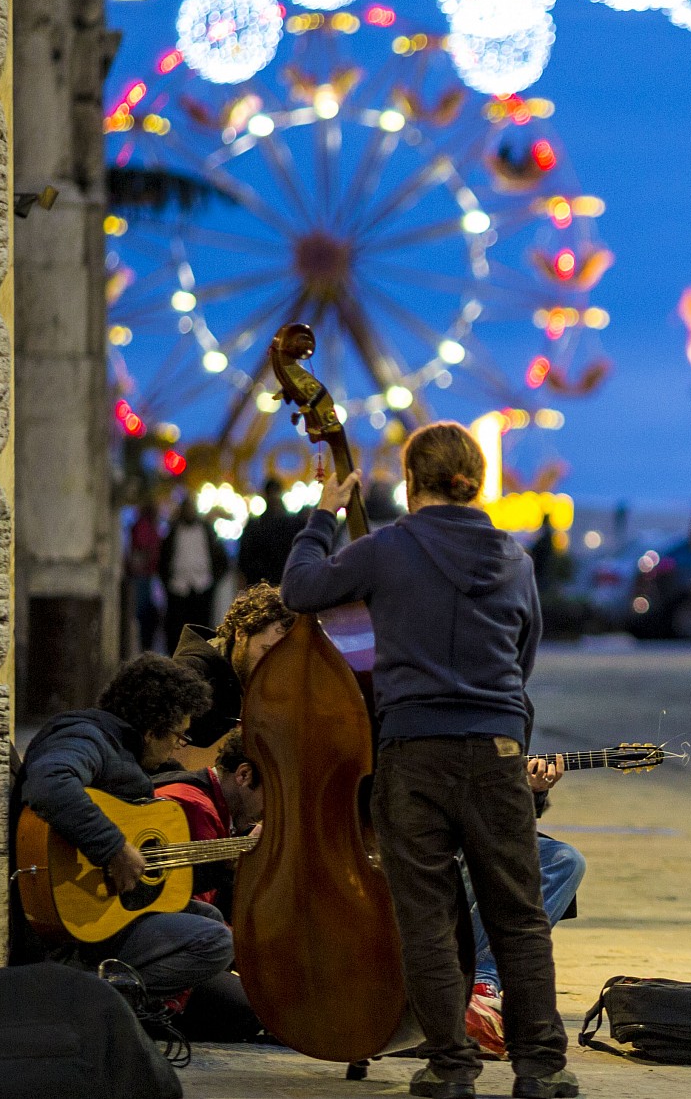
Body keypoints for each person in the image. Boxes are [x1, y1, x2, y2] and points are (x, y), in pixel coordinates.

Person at [281, 421, 577, 1099]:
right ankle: (540, 1069)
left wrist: (324, 515)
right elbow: (521, 660)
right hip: (497, 750)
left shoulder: (385, 550)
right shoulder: (515, 558)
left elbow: (299, 591)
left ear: (411, 482)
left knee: (428, 917)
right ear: (475, 480)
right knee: (519, 916)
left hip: (414, 754)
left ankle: (451, 1068)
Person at [17, 654, 233, 1001]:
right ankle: (91, 996)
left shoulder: (121, 751)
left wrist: (225, 861)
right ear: (152, 730)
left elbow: (146, 862)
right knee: (215, 941)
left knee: (208, 915)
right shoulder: (85, 736)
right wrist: (114, 849)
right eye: (179, 735)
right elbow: (50, 783)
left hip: (110, 908)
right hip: (68, 916)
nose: (179, 747)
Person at [463, 755, 592, 1056]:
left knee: (565, 861)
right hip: (430, 831)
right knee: (483, 847)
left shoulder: (511, 713)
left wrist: (533, 792)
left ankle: (484, 976)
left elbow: (512, 817)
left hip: (483, 830)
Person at [153, 732, 269, 1042]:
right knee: (253, 1011)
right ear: (243, 775)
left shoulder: (219, 808)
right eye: (272, 795)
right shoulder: (194, 807)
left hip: (178, 936)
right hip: (162, 949)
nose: (272, 809)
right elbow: (193, 914)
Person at [169, 581, 296, 766]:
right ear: (241, 634)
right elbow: (159, 752)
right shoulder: (191, 673)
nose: (272, 666)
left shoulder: (276, 680)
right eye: (266, 650)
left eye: (281, 658)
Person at [163, 495, 228, 654]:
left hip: (201, 588)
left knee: (200, 630)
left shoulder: (205, 530)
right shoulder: (173, 531)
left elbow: (221, 559)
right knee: (177, 631)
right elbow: (164, 559)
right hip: (178, 589)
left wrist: (212, 582)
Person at [236, 476, 300, 589]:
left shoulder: (255, 526)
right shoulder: (293, 523)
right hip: (288, 584)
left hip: (262, 587)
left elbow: (244, 561)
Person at [125, 501, 166, 652]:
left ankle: (145, 644)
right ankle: (143, 645)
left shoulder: (145, 525)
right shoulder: (144, 526)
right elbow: (143, 548)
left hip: (146, 574)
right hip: (143, 575)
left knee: (147, 612)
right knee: (144, 612)